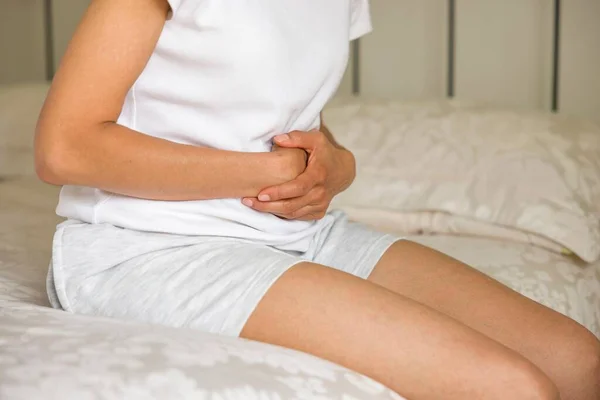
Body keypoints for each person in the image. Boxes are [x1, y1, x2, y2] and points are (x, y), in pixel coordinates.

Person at [35, 0, 599, 398]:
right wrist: (267, 171)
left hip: (294, 233)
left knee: (578, 361)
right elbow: (64, 147)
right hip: (150, 247)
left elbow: (298, 127)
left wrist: (336, 165)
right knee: (512, 390)